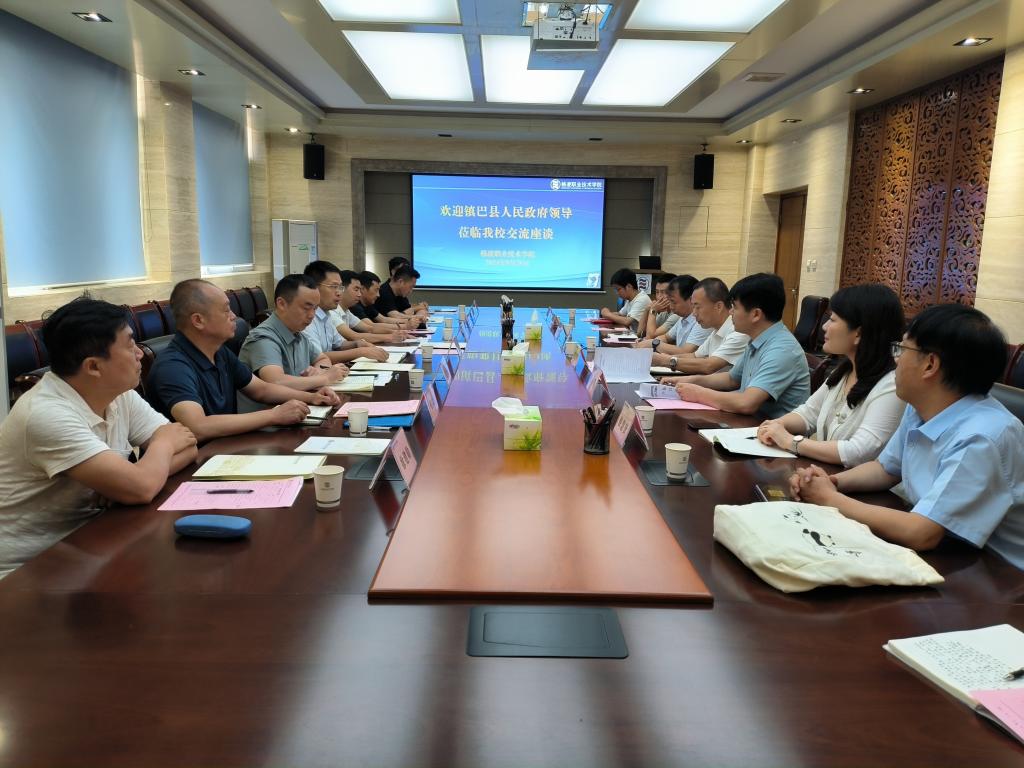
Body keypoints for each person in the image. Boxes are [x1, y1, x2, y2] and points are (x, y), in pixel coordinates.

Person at [791, 304, 1024, 568]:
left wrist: (829, 499)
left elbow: (922, 533)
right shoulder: (921, 406)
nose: (896, 360)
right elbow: (886, 468)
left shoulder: (983, 436)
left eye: (901, 349)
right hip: (952, 553)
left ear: (930, 364)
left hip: (1000, 573)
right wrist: (831, 482)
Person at [0, 299, 197, 579]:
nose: (139, 353)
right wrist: (156, 454)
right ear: (93, 366)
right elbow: (142, 487)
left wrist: (130, 479)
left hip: (91, 541)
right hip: (26, 571)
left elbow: (188, 446)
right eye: (129, 344)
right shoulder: (46, 414)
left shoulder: (118, 392)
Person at [146, 279, 335, 442]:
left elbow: (262, 390)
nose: (234, 316)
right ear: (198, 320)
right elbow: (198, 426)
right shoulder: (173, 367)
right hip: (196, 462)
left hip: (226, 446)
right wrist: (273, 415)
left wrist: (313, 398)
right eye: (226, 310)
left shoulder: (219, 352)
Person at [757, 284, 905, 467]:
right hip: (826, 474)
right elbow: (808, 413)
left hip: (854, 483)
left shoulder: (892, 385)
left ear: (858, 333)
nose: (824, 326)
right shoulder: (844, 371)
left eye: (832, 320)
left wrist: (791, 442)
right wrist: (775, 425)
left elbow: (859, 451)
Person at [672, 272, 809, 418]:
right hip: (749, 422)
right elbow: (731, 379)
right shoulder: (756, 339)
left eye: (735, 307)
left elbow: (746, 403)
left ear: (756, 314)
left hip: (769, 428)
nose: (730, 312)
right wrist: (691, 381)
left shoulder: (782, 350)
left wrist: (698, 393)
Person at [237, 274, 346, 412]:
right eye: (306, 308)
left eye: (315, 308)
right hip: (266, 420)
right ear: (281, 304)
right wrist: (324, 378)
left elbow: (322, 358)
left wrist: (318, 371)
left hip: (299, 411)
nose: (312, 315)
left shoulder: (298, 332)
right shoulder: (262, 338)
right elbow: (276, 381)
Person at [658, 277, 749, 376]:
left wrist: (665, 361)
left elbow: (708, 366)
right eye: (693, 307)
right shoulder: (716, 330)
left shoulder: (738, 332)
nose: (694, 313)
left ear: (719, 306)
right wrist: (664, 358)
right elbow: (694, 356)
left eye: (698, 307)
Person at [302, 261, 390, 363]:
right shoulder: (306, 318)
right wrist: (361, 352)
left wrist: (357, 344)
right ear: (314, 288)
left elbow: (339, 344)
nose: (339, 293)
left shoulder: (326, 313)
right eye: (334, 287)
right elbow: (318, 356)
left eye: (340, 287)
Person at [637, 274, 712, 362]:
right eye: (657, 292)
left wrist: (653, 343)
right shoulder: (682, 318)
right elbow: (665, 337)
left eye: (673, 302)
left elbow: (686, 351)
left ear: (691, 300)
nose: (671, 306)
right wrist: (647, 342)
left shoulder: (703, 321)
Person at [328, 270, 409, 346]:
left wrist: (395, 333)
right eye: (356, 290)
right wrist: (390, 337)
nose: (359, 294)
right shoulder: (332, 312)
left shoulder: (346, 311)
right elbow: (354, 336)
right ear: (342, 289)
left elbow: (370, 328)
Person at [600, 268, 652, 332]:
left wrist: (608, 314)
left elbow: (627, 321)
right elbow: (620, 314)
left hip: (640, 336)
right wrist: (606, 313)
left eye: (618, 289)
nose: (617, 293)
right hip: (632, 334)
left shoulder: (641, 299)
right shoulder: (630, 299)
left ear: (629, 286)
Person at [642, 273, 679, 339]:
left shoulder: (676, 315)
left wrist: (653, 311)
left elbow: (650, 337)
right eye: (657, 292)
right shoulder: (663, 311)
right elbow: (640, 333)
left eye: (663, 292)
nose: (659, 297)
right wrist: (647, 310)